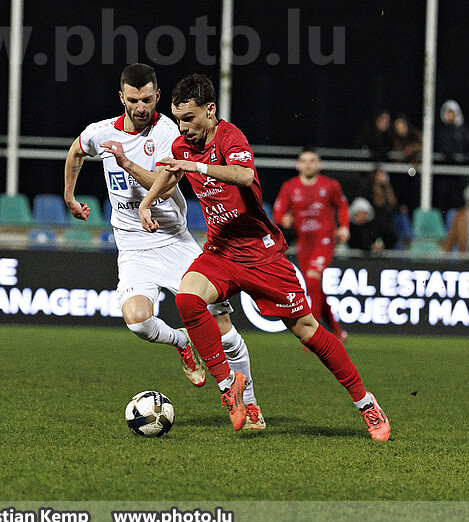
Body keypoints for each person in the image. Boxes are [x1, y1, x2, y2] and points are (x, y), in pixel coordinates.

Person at [138, 73, 390, 441]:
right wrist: (147, 202)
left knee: (307, 331)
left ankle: (366, 403)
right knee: (188, 299)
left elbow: (243, 175)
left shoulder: (230, 137)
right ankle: (229, 387)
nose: (183, 128)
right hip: (221, 252)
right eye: (178, 120)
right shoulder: (182, 146)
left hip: (261, 255)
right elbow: (168, 175)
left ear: (210, 110)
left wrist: (198, 167)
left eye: (189, 118)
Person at [64, 63, 264, 430]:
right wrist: (69, 197)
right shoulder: (101, 132)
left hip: (174, 240)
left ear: (157, 96)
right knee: (138, 321)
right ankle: (182, 342)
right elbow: (76, 152)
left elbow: (167, 184)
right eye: (133, 100)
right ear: (121, 98)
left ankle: (250, 404)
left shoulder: (171, 131)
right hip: (132, 247)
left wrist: (126, 164)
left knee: (223, 328)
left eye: (147, 99)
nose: (140, 107)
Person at [272, 150, 350, 343]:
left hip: (324, 239)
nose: (308, 165)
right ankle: (337, 332)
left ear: (319, 164)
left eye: (312, 161)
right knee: (314, 287)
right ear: (298, 165)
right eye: (304, 161)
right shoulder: (290, 187)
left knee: (313, 279)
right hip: (304, 242)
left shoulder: (330, 185)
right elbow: (278, 212)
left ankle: (314, 334)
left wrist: (344, 226)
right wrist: (283, 219)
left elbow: (342, 206)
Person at [357, 166, 398, 250]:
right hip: (373, 224)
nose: (382, 177)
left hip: (386, 226)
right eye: (380, 174)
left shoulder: (388, 191)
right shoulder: (369, 189)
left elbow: (393, 207)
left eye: (384, 175)